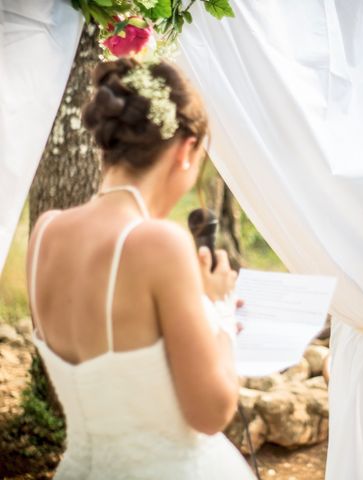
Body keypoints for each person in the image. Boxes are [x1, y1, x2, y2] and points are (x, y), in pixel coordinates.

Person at [26, 58, 255, 479]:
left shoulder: (45, 233)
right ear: (187, 150)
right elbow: (212, 412)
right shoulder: (158, 243)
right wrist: (220, 310)